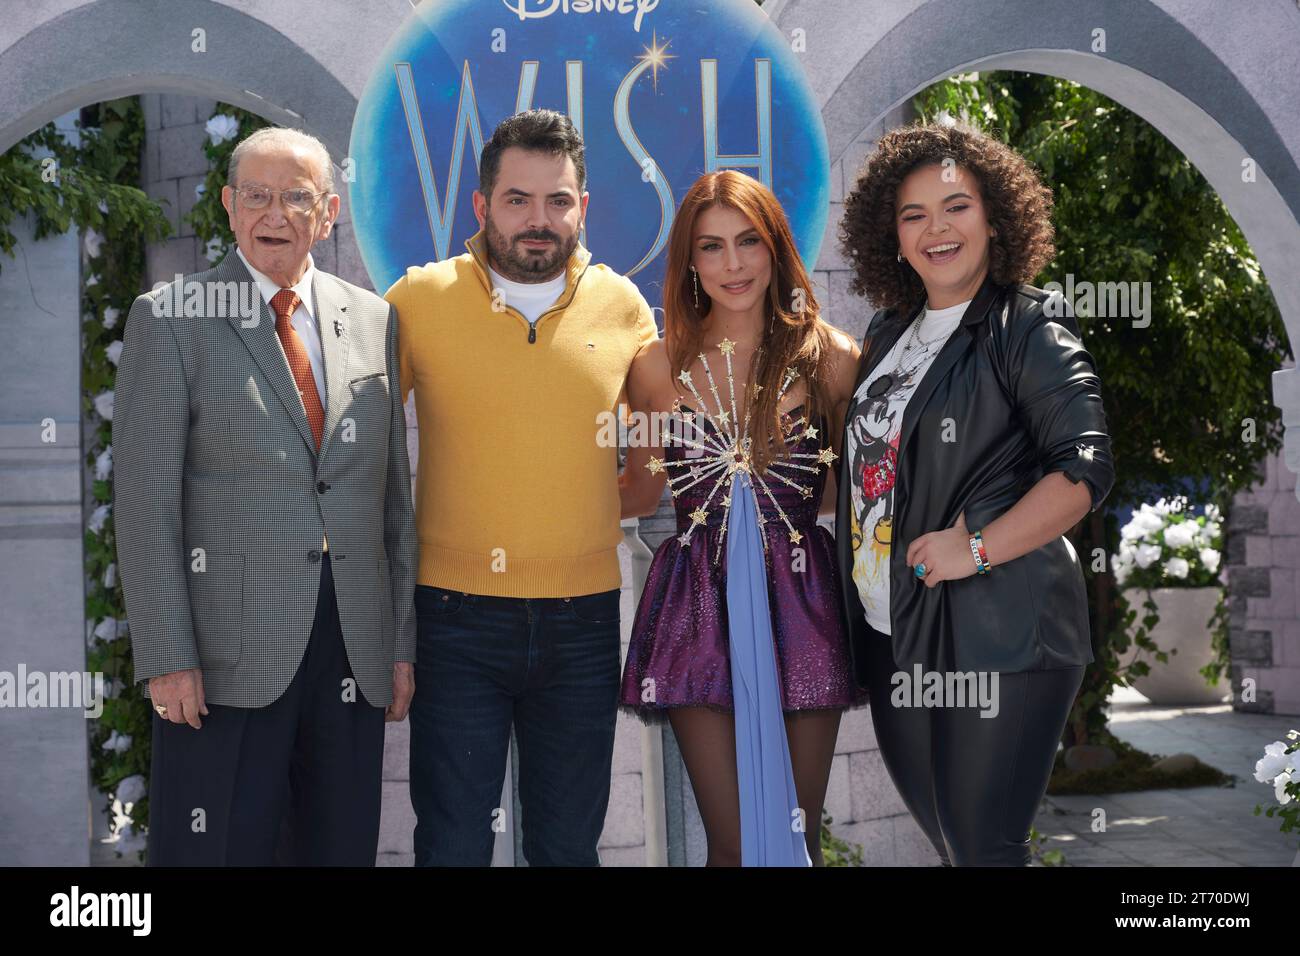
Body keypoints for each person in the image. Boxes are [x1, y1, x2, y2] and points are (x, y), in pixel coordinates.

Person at [113, 127, 418, 865]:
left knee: (338, 851)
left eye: (295, 196)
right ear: (228, 205)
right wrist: (168, 658)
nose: (273, 213)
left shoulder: (375, 321)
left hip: (350, 651)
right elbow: (145, 509)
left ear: (330, 212)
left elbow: (392, 504)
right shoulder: (172, 318)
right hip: (221, 665)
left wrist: (399, 645)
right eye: (256, 195)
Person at [834, 120, 1115, 866]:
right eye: (914, 214)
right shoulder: (890, 331)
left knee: (986, 851)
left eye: (956, 206)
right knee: (957, 847)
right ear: (891, 236)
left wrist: (977, 547)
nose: (937, 229)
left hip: (1000, 635)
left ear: (994, 216)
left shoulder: (1029, 327)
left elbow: (1083, 470)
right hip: (896, 633)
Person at [387, 109, 659, 866]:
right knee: (451, 844)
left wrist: (583, 516)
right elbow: (359, 455)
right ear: (481, 206)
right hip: (453, 620)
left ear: (584, 207)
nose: (539, 221)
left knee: (569, 848)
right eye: (518, 200)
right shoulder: (416, 300)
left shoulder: (625, 307)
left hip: (583, 622)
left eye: (558, 200)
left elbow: (659, 457)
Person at [619, 170, 866, 866]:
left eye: (748, 242)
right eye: (712, 247)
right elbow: (639, 495)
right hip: (696, 607)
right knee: (730, 846)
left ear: (776, 248)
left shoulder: (836, 360)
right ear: (690, 262)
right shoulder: (655, 370)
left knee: (795, 838)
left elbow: (849, 495)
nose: (733, 264)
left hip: (803, 605)